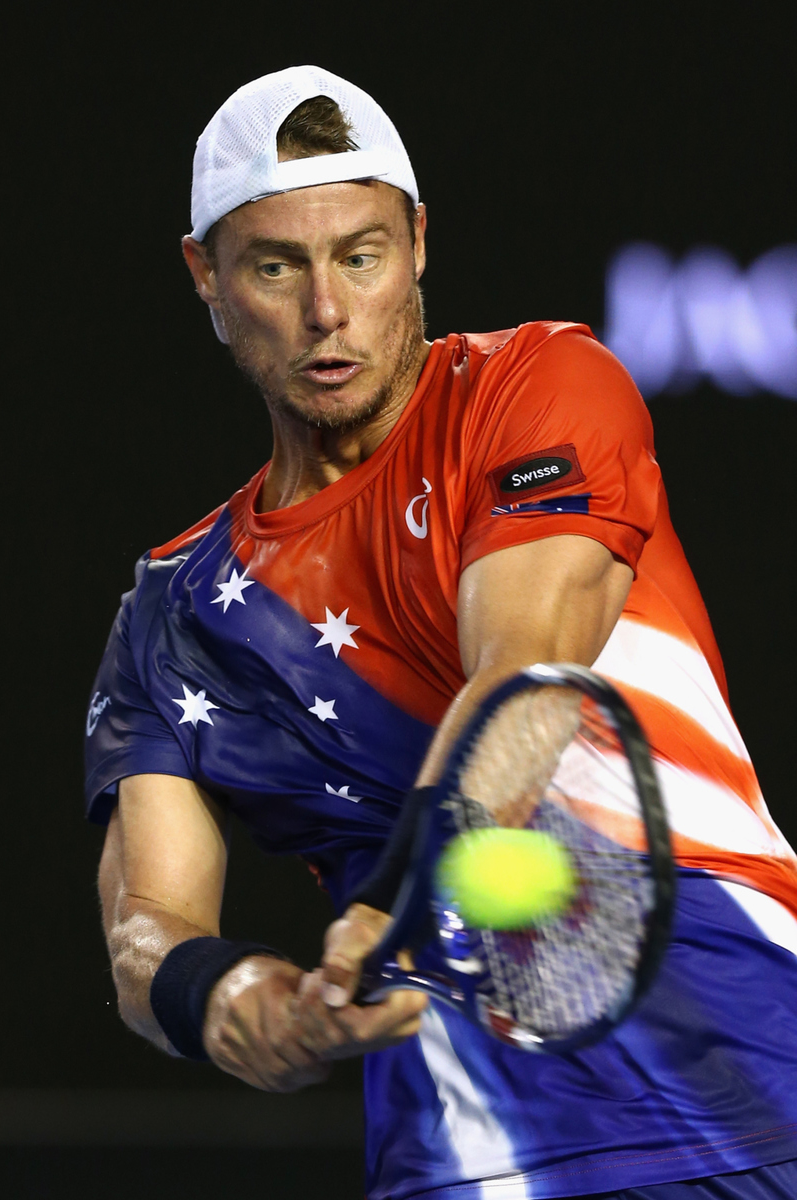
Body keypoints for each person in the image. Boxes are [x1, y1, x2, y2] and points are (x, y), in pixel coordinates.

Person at [86, 65, 797, 1200]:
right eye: (276, 266)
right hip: (461, 1161)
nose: (327, 312)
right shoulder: (176, 614)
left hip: (753, 1097)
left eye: (360, 255)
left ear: (416, 244)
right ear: (205, 277)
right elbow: (147, 927)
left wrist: (391, 907)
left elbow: (525, 677)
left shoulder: (539, 385)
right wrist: (233, 1003)